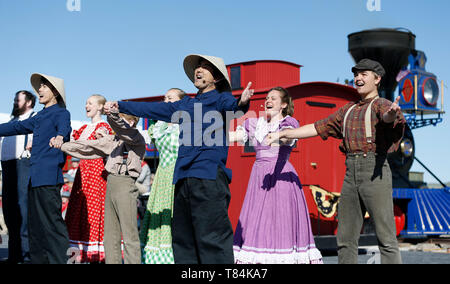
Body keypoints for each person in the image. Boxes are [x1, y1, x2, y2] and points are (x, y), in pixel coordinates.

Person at [105, 54, 253, 264]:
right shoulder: (185, 104)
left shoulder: (222, 99)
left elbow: (234, 108)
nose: (198, 70)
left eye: (205, 67)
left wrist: (243, 102)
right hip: (182, 179)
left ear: (217, 78)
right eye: (198, 67)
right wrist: (121, 106)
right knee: (183, 242)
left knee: (212, 239)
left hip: (209, 177)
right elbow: (154, 108)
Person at [266, 59, 405, 264]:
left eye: (363, 74)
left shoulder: (382, 105)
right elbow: (317, 127)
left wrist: (391, 116)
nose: (358, 78)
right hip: (350, 173)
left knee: (386, 238)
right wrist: (286, 132)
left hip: (374, 169)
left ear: (377, 79)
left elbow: (387, 117)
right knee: (346, 239)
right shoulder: (347, 110)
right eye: (356, 74)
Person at [230, 87, 323, 264]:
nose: (268, 101)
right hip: (259, 177)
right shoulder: (255, 123)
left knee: (281, 221)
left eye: (273, 98)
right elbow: (237, 136)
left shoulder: (289, 123)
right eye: (266, 98)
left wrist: (278, 137)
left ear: (283, 104)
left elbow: (289, 138)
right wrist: (208, 136)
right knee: (258, 221)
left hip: (281, 176)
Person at [0, 73, 71, 264]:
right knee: (36, 227)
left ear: (55, 92)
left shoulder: (61, 113)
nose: (39, 89)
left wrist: (60, 137)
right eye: (39, 87)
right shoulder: (40, 115)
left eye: (44, 86)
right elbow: (16, 128)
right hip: (34, 179)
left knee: (53, 225)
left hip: (49, 177)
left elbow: (64, 129)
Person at [59, 110, 146, 264]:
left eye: (122, 120)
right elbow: (89, 147)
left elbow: (121, 130)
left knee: (129, 234)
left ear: (131, 122)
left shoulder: (135, 137)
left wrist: (111, 114)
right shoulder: (113, 140)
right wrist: (65, 146)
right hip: (110, 182)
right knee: (110, 236)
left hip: (126, 183)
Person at [64, 94, 112, 263]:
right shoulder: (84, 128)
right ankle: (80, 250)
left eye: (90, 103)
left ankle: (95, 253)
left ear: (100, 107)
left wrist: (103, 138)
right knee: (80, 209)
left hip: (96, 172)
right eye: (86, 103)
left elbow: (107, 147)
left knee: (93, 210)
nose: (86, 105)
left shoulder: (103, 127)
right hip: (83, 172)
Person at [139, 88, 185, 264]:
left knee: (177, 215)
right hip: (162, 176)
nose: (166, 100)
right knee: (159, 214)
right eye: (165, 97)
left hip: (179, 174)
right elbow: (139, 137)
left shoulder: (186, 124)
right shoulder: (159, 126)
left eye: (170, 98)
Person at [0, 90, 36, 263]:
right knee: (9, 210)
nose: (15, 102)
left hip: (24, 165)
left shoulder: (34, 118)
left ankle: (27, 253)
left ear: (29, 102)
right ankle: (14, 254)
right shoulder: (12, 121)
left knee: (23, 209)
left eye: (18, 99)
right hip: (7, 167)